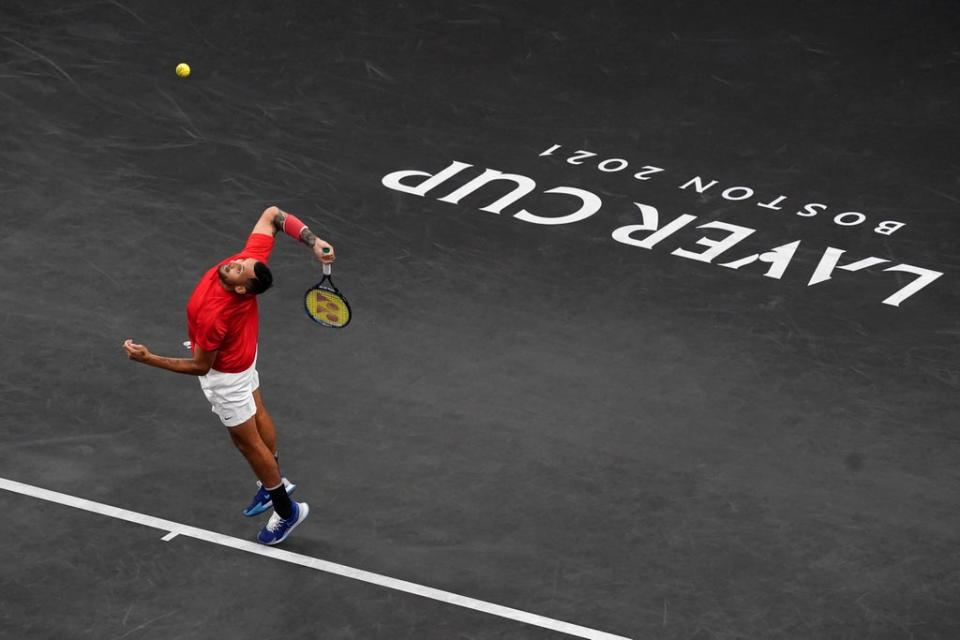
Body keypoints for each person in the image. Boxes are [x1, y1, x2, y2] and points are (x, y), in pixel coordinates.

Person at [122, 206, 334, 545]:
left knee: (246, 443)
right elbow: (273, 215)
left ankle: (285, 507)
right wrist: (313, 241)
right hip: (244, 353)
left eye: (240, 269)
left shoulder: (215, 315)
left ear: (241, 290)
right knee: (258, 413)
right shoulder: (245, 265)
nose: (235, 262)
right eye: (241, 262)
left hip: (225, 376)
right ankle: (273, 483)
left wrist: (149, 358)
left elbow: (200, 366)